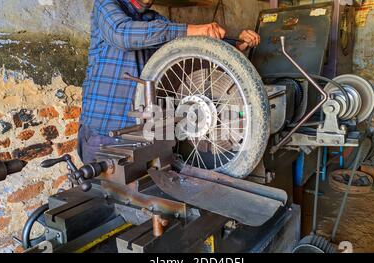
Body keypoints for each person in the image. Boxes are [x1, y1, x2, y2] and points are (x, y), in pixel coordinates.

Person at [78, 0, 261, 163]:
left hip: (143, 132)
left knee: (142, 193)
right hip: (105, 131)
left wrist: (236, 45)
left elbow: (191, 45)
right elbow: (122, 33)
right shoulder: (106, 5)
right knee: (103, 193)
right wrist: (190, 30)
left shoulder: (153, 19)